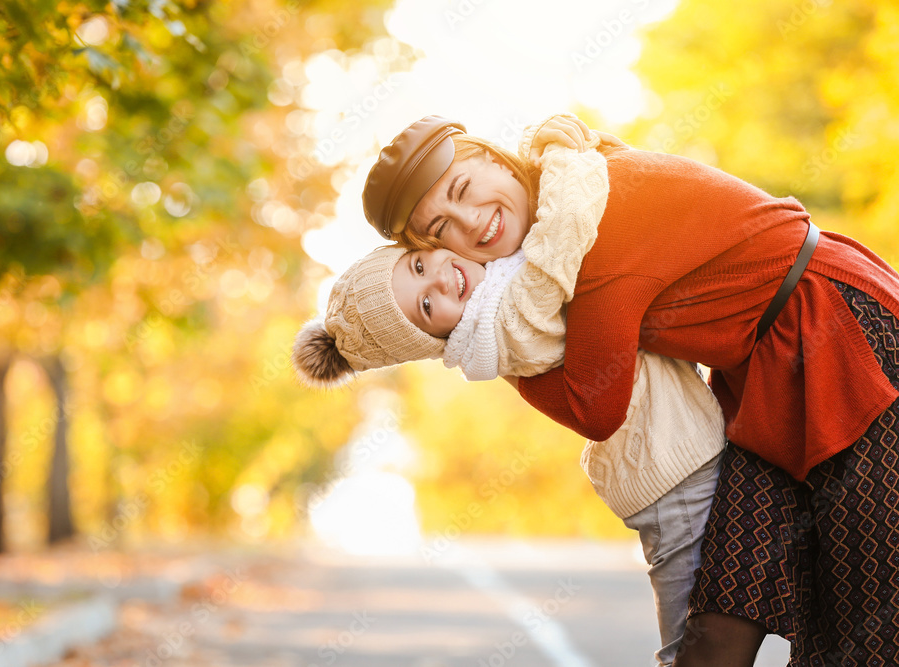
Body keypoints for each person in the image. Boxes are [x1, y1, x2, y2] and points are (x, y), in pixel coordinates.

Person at [362, 113, 899, 666]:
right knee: (723, 606)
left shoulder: (589, 221)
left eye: (462, 189)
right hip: (758, 374)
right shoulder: (558, 218)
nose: (470, 222)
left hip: (835, 335)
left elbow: (596, 407)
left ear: (494, 159)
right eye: (441, 228)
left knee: (867, 625)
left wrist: (479, 345)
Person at [296, 132, 728, 667]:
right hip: (669, 472)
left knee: (737, 615)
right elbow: (564, 242)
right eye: (427, 306)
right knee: (696, 642)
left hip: (686, 450)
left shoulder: (492, 286)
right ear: (436, 338)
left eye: (417, 266)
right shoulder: (506, 321)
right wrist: (561, 150)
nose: (441, 280)